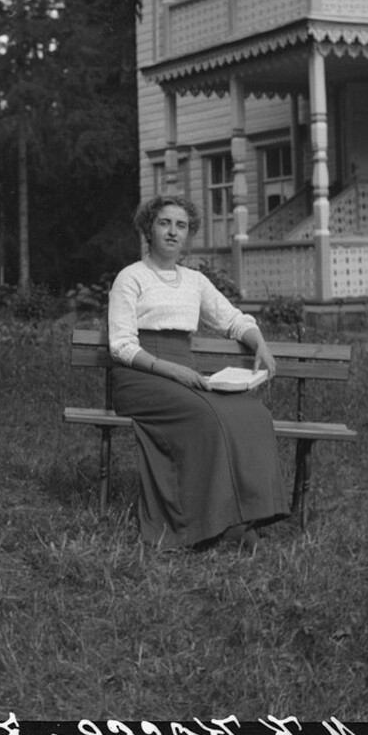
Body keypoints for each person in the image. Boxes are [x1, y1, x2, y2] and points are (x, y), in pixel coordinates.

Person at [107, 194, 290, 552]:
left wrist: (261, 343)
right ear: (149, 228)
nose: (173, 232)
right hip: (141, 377)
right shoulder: (130, 278)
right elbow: (122, 346)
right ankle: (210, 523)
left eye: (181, 226)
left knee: (252, 413)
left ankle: (244, 516)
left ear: (188, 235)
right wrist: (171, 370)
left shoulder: (194, 281)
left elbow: (233, 320)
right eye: (164, 223)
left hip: (182, 372)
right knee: (208, 417)